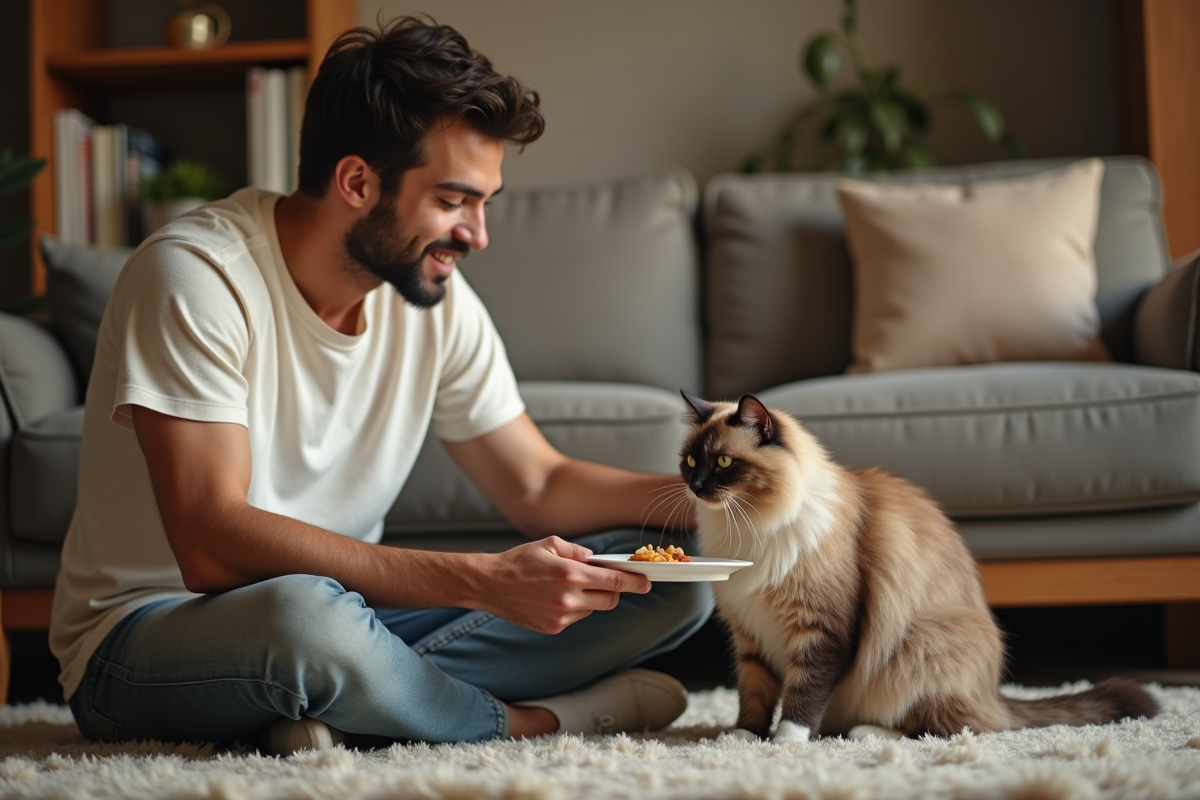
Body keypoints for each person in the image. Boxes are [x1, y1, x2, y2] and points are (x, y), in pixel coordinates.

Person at [49, 17, 712, 754]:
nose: (478, 234)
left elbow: (538, 482)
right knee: (306, 621)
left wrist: (716, 502)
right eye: (455, 200)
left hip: (350, 622)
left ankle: (353, 706)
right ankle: (533, 721)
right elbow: (211, 543)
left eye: (484, 202)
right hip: (147, 640)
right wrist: (482, 580)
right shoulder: (198, 275)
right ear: (358, 181)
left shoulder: (435, 301)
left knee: (672, 576)